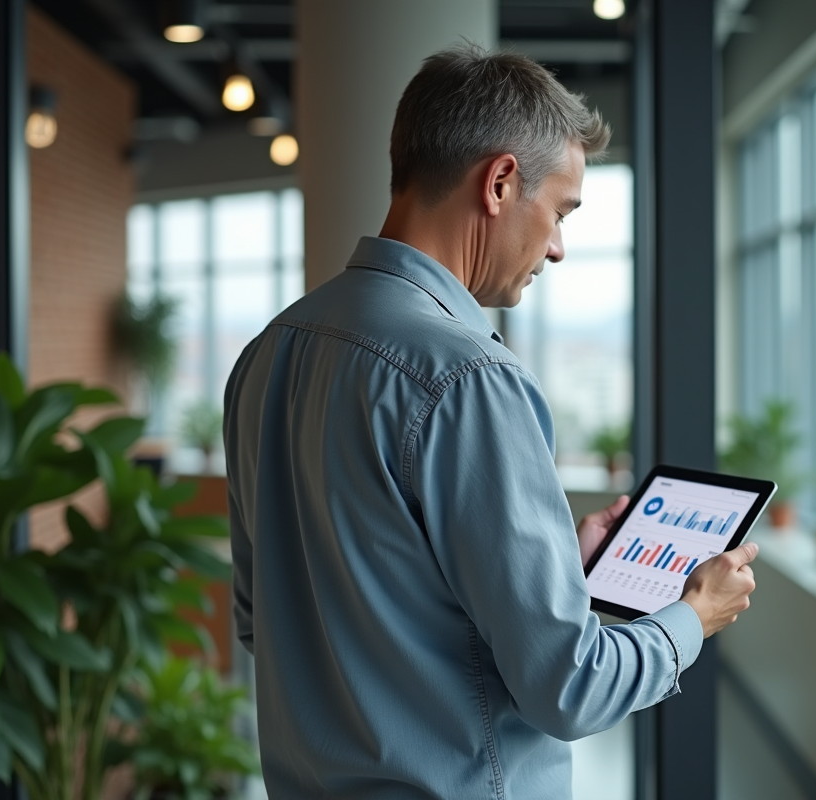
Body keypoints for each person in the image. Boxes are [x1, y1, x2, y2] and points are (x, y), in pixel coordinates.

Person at [224, 44, 759, 800]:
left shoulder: (267, 354)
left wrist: (547, 580)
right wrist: (692, 616)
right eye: (561, 212)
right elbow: (570, 689)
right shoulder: (470, 378)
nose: (559, 248)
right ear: (501, 182)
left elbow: (267, 624)